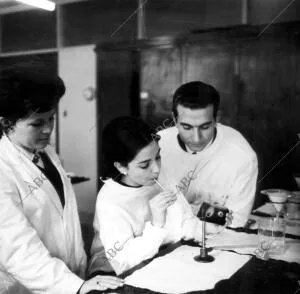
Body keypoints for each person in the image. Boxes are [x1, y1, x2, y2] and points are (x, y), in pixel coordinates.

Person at [0, 69, 124, 294]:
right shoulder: (3, 171)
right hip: (30, 286)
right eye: (37, 124)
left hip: (72, 277)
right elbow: (19, 250)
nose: (48, 129)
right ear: (6, 123)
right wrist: (74, 286)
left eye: (51, 119)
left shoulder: (46, 153)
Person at [88, 116, 232, 277]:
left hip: (162, 257)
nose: (156, 169)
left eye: (157, 156)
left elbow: (184, 223)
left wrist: (210, 227)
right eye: (144, 165)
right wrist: (156, 223)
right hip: (114, 272)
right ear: (121, 167)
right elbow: (124, 261)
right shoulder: (110, 201)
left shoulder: (160, 176)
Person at [158, 81, 258, 228]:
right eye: (187, 127)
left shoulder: (242, 156)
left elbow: (236, 221)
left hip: (217, 241)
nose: (196, 138)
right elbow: (144, 205)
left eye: (205, 127)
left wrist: (188, 210)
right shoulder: (157, 146)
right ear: (174, 119)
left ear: (217, 118)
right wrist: (202, 211)